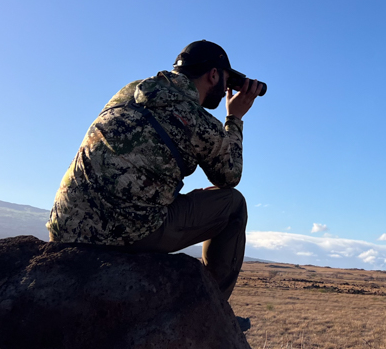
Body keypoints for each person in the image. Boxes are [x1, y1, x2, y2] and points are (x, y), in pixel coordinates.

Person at [47, 40, 262, 300]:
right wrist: (235, 119)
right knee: (233, 205)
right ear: (213, 75)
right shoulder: (200, 122)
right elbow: (230, 176)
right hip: (126, 234)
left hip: (65, 225)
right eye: (226, 81)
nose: (226, 88)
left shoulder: (129, 91)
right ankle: (212, 305)